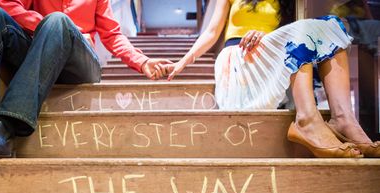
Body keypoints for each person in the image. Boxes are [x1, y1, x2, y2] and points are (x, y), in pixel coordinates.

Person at [0, 0, 170, 159]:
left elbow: (112, 34)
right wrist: (42, 24)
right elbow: (9, 5)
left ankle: (6, 126)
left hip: (81, 64)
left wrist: (142, 61)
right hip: (44, 50)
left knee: (58, 21)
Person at [161, 0, 380, 158]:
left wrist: (267, 37)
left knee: (332, 24)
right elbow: (211, 32)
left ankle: (344, 119)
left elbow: (295, 33)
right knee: (298, 36)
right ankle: (306, 120)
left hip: (276, 57)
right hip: (239, 59)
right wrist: (182, 62)